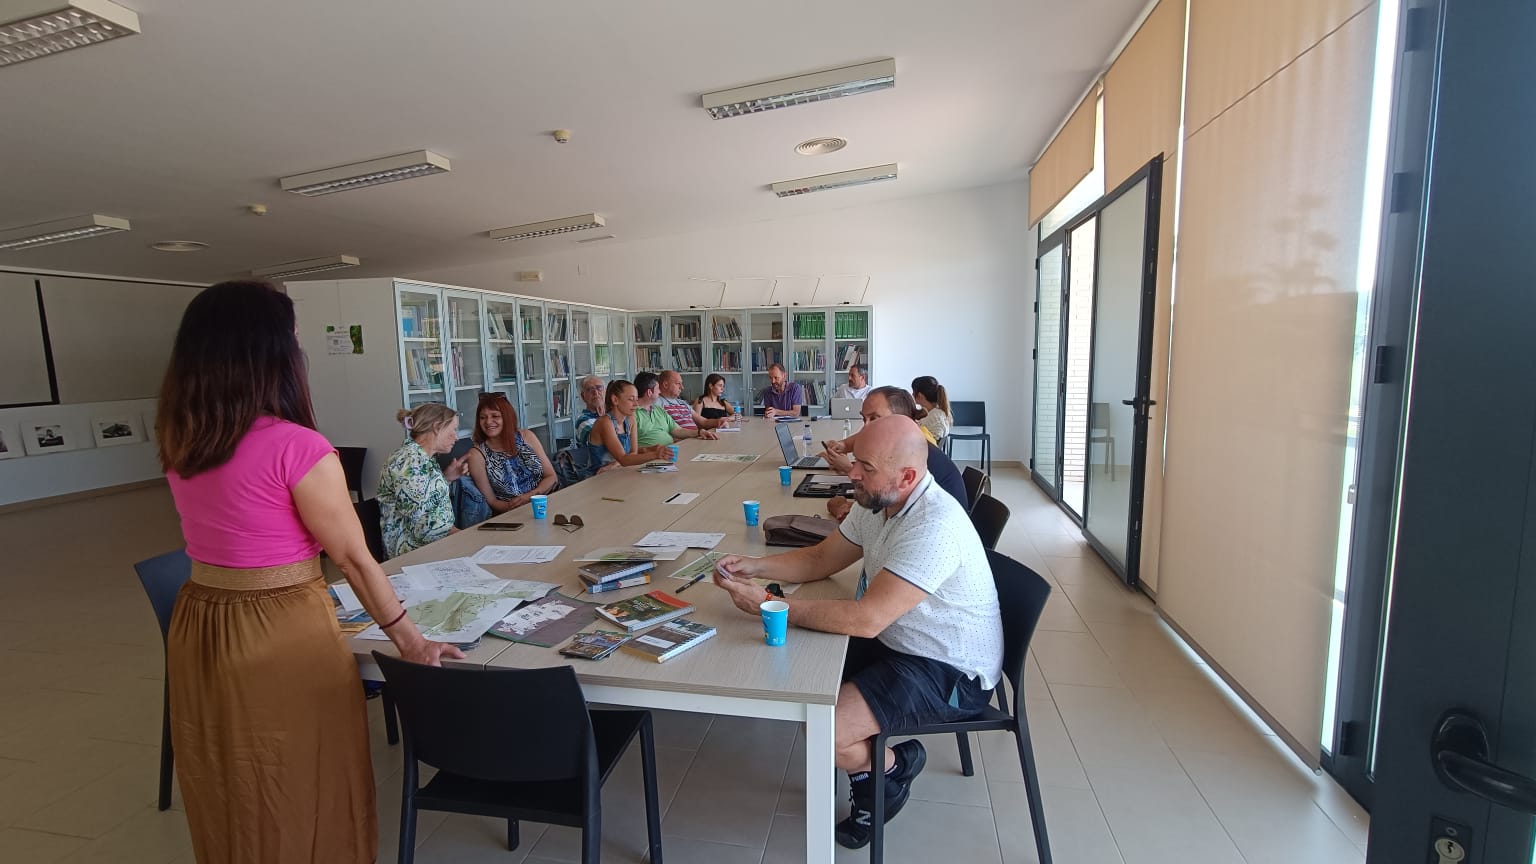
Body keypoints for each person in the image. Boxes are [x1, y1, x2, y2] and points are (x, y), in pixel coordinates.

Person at [156, 280, 463, 864]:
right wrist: (411, 641)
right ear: (271, 354)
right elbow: (352, 558)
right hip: (279, 627)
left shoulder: (183, 437)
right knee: (301, 770)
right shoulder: (299, 446)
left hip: (200, 623)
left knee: (227, 771)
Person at [711, 416, 1002, 849]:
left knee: (825, 730)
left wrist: (770, 605)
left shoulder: (934, 526)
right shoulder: (880, 500)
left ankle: (889, 772)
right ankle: (883, 770)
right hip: (902, 638)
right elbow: (820, 559)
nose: (852, 473)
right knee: (806, 670)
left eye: (865, 466)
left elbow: (867, 619)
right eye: (856, 462)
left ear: (907, 476)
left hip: (949, 669)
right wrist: (754, 566)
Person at [820, 386, 968, 521]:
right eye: (864, 419)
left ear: (900, 419)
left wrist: (842, 502)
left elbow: (876, 508)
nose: (865, 428)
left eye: (874, 419)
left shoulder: (913, 453)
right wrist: (844, 446)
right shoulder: (908, 439)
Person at [460, 391, 558, 522]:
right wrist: (514, 508)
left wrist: (531, 496)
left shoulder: (527, 436)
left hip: (546, 503)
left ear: (507, 417)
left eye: (495, 416)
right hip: (511, 515)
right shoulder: (476, 454)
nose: (488, 422)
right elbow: (491, 501)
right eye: (483, 417)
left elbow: (551, 476)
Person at [589, 379, 673, 467]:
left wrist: (651, 449)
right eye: (631, 399)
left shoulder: (630, 419)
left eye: (636, 399)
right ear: (615, 400)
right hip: (600, 473)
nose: (636, 404)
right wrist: (655, 454)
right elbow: (623, 459)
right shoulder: (605, 422)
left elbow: (633, 453)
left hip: (619, 470)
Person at [555, 375, 619, 485]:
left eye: (599, 388)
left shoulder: (614, 415)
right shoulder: (583, 421)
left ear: (606, 392)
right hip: (598, 472)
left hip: (617, 466)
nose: (595, 392)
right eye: (590, 390)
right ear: (583, 396)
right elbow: (606, 443)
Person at [633, 370, 718, 448]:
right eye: (658, 389)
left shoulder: (659, 410)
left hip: (673, 449)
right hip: (656, 456)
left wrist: (699, 432)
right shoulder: (633, 414)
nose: (660, 391)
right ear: (649, 392)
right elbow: (630, 449)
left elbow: (677, 430)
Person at [657, 369, 726, 431]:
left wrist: (719, 421)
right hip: (683, 439)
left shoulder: (682, 403)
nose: (682, 387)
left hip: (696, 436)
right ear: (665, 385)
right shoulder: (657, 403)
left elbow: (704, 422)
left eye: (681, 384)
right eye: (678, 383)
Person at [911, 376, 953, 442]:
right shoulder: (938, 413)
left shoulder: (934, 417)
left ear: (919, 395)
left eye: (913, 391)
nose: (912, 394)